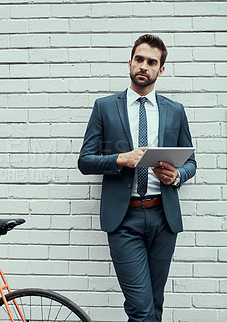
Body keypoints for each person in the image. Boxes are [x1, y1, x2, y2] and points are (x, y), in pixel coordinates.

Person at [78, 34, 196, 321]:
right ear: (130, 62)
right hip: (124, 220)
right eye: (139, 59)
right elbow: (85, 161)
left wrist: (176, 176)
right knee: (141, 309)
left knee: (154, 305)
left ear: (161, 69)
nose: (144, 66)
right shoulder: (105, 107)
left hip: (163, 218)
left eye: (151, 62)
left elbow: (191, 162)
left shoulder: (175, 111)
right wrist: (121, 158)